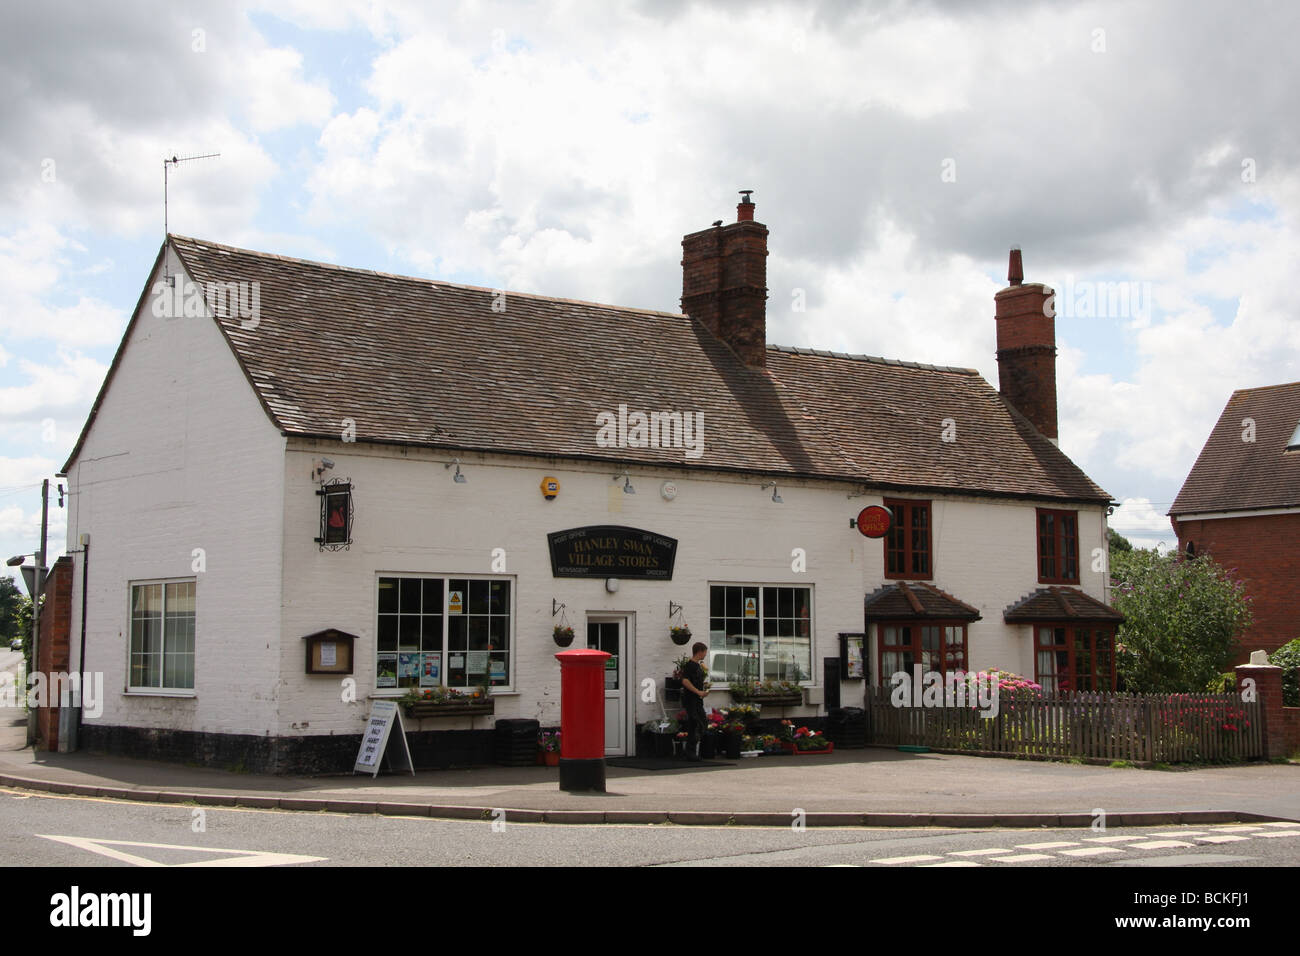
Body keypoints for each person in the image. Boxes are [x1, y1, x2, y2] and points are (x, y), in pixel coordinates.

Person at [680, 642, 709, 761]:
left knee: (699, 723)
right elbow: (685, 681)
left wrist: (704, 687)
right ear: (700, 651)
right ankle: (690, 752)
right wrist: (698, 691)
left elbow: (695, 680)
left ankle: (690, 751)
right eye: (705, 652)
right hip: (691, 699)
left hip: (697, 699)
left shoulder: (697, 665)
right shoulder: (690, 665)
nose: (705, 655)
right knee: (697, 723)